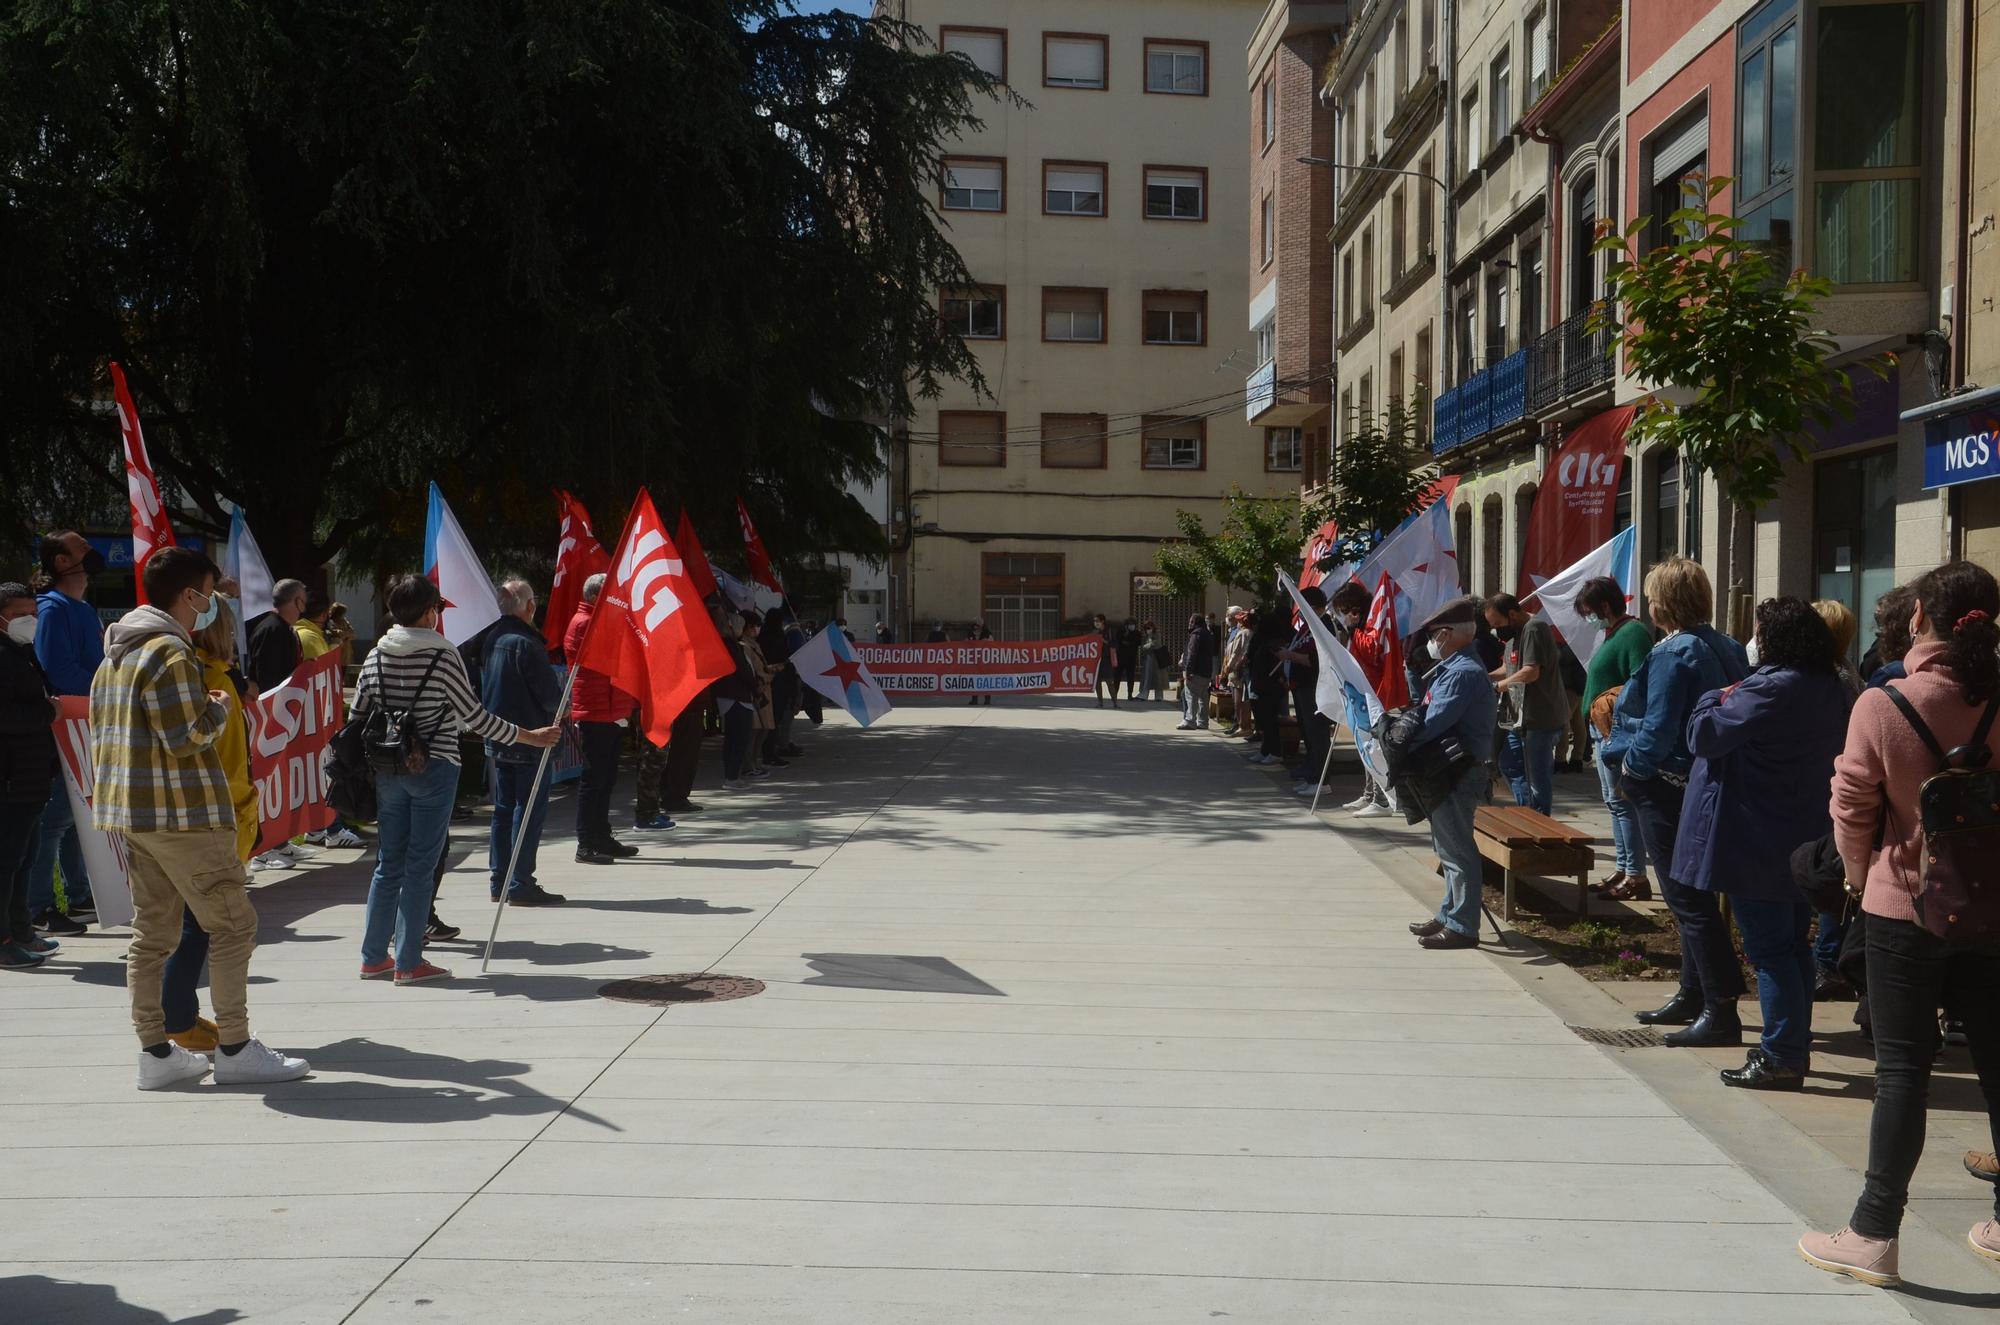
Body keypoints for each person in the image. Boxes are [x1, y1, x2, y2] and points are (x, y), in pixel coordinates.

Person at [1800, 561, 2000, 1286]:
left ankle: (1874, 1231)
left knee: (1902, 1074)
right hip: (1994, 908)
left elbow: (1852, 807)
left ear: (1919, 618)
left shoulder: (1885, 705)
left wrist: (1858, 876)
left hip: (1904, 909)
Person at [89, 547, 310, 1088]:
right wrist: (218, 705)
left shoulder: (115, 652)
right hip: (184, 815)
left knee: (152, 934)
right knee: (234, 926)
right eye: (209, 593)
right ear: (189, 596)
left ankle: (155, 1054)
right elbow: (184, 736)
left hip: (134, 813)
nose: (212, 603)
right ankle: (234, 1047)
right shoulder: (169, 651)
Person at [1678, 597, 1852, 1092]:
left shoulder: (1770, 688)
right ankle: (1792, 1044)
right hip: (1803, 833)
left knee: (1771, 951)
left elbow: (1704, 735)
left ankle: (1781, 1054)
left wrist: (1712, 696)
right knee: (1793, 946)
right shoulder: (1831, 686)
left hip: (1756, 836)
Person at [353, 575, 559, 985]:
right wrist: (528, 736)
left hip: (389, 767)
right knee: (420, 865)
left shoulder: (376, 654)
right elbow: (475, 716)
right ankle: (409, 962)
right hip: (435, 765)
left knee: (388, 863)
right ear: (429, 612)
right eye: (438, 610)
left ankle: (374, 956)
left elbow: (358, 713)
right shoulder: (441, 654)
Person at [1603, 556, 1750, 1045]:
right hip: (1704, 779)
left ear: (1663, 601)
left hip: (1665, 781)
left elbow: (1660, 725)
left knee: (1686, 896)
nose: (1646, 604)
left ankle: (1720, 1007)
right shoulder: (1725, 644)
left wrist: (1630, 768)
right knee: (1694, 892)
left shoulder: (1675, 651)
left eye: (1650, 596)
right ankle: (1693, 992)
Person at [158, 594, 262, 1051]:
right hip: (214, 820)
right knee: (215, 929)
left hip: (167, 817)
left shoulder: (177, 671)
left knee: (178, 926)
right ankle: (189, 1023)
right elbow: (231, 763)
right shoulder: (215, 682)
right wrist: (245, 819)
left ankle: (174, 1020)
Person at [1408, 596, 1498, 950]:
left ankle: (1462, 925)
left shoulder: (1461, 673)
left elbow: (1432, 723)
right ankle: (1449, 913)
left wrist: (1399, 731)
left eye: (1434, 634)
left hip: (1457, 771)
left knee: (1457, 850)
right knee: (1447, 846)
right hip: (1448, 769)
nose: (1431, 642)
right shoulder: (1455, 668)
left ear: (1447, 634)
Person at [30, 530, 101, 935]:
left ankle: (77, 897)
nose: (90, 550)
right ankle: (39, 906)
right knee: (55, 819)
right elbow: (59, 672)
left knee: (77, 816)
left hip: (85, 722)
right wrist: (106, 693)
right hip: (64, 726)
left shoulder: (83, 609)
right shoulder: (52, 610)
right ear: (61, 562)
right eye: (80, 547)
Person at [482, 579, 567, 907]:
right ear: (529, 606)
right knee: (527, 810)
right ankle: (519, 882)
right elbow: (549, 698)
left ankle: (499, 879)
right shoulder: (526, 644)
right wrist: (563, 705)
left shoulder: (493, 638)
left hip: (500, 735)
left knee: (504, 809)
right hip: (532, 739)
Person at [1573, 576, 1654, 901]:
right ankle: (1624, 868)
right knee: (1614, 803)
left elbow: (1638, 683)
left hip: (1616, 733)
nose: (1589, 618)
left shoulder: (1633, 633)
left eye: (1590, 611)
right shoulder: (1615, 633)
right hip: (1604, 731)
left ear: (1605, 606)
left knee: (1622, 803)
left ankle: (1635, 875)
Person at [0, 582, 60, 968]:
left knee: (25, 857)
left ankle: (21, 929)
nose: (31, 622)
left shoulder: (20, 652)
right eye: (22, 615)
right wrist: (48, 712)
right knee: (7, 861)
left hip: (32, 776)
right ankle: (5, 939)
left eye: (34, 615)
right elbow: (8, 716)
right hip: (10, 776)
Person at [565, 573, 639, 864]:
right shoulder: (584, 623)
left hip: (610, 709)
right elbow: (604, 658)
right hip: (596, 711)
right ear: (597, 596)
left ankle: (601, 835)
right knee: (593, 779)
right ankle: (586, 841)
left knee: (607, 778)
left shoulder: (601, 621)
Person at [1484, 593, 1568, 816]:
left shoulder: (1534, 628)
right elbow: (1508, 669)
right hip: (1517, 718)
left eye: (1497, 624)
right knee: (1509, 763)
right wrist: (1483, 677)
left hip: (1539, 718)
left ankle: (1540, 822)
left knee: (1537, 777)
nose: (1496, 630)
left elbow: (1531, 671)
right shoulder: (1513, 636)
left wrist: (1497, 686)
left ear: (1512, 614)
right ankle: (1528, 812)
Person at [1280, 586, 1331, 796]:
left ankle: (1320, 780)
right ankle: (1311, 773)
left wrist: (1291, 657)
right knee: (1308, 733)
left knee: (1317, 733)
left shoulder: (1324, 625)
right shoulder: (1308, 627)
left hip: (1313, 687)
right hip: (1301, 686)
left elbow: (1318, 660)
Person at [715, 606, 760, 787]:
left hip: (732, 695)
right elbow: (743, 671)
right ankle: (732, 777)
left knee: (734, 738)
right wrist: (755, 685)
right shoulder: (731, 646)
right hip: (736, 696)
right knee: (739, 737)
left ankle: (732, 775)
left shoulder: (730, 644)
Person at [246, 577, 306, 692]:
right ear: (298, 602)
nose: (304, 609)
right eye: (304, 602)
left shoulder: (279, 627)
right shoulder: (273, 631)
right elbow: (269, 679)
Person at [1860, 585, 1915, 688]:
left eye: (1881, 615)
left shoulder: (1889, 670)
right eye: (1876, 615)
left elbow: (1867, 669)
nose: (1878, 620)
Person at [1177, 613, 1215, 731]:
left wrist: (1188, 671)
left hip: (1196, 671)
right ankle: (1203, 722)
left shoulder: (1196, 634)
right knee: (1203, 697)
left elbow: (1192, 654)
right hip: (1206, 671)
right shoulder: (1208, 634)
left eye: (1191, 622)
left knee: (1190, 695)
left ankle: (1190, 721)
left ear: (1196, 623)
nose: (1189, 624)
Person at [1092, 613, 1120, 709]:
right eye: (1094, 621)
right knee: (1097, 682)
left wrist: (1104, 641)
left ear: (1102, 621)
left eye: (1097, 621)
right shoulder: (1094, 632)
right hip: (1096, 660)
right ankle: (1100, 702)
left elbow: (1115, 644)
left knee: (1109, 681)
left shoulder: (1110, 631)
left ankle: (1115, 702)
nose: (1096, 623)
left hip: (1106, 660)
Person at [964, 618, 994, 705]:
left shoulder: (987, 634)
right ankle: (974, 699)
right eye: (975, 625)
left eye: (979, 626)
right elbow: (964, 644)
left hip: (985, 661)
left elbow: (993, 645)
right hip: (974, 661)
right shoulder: (970, 634)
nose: (976, 627)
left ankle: (987, 699)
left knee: (986, 680)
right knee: (974, 679)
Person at [1140, 620, 1165, 703]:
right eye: (1146, 628)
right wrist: (1148, 645)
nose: (1148, 629)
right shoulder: (1145, 636)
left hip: (1157, 659)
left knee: (1158, 678)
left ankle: (1159, 696)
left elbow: (1156, 644)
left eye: (1149, 627)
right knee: (1147, 677)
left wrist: (1148, 645)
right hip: (1148, 659)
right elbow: (1143, 647)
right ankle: (1144, 694)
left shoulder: (1157, 635)